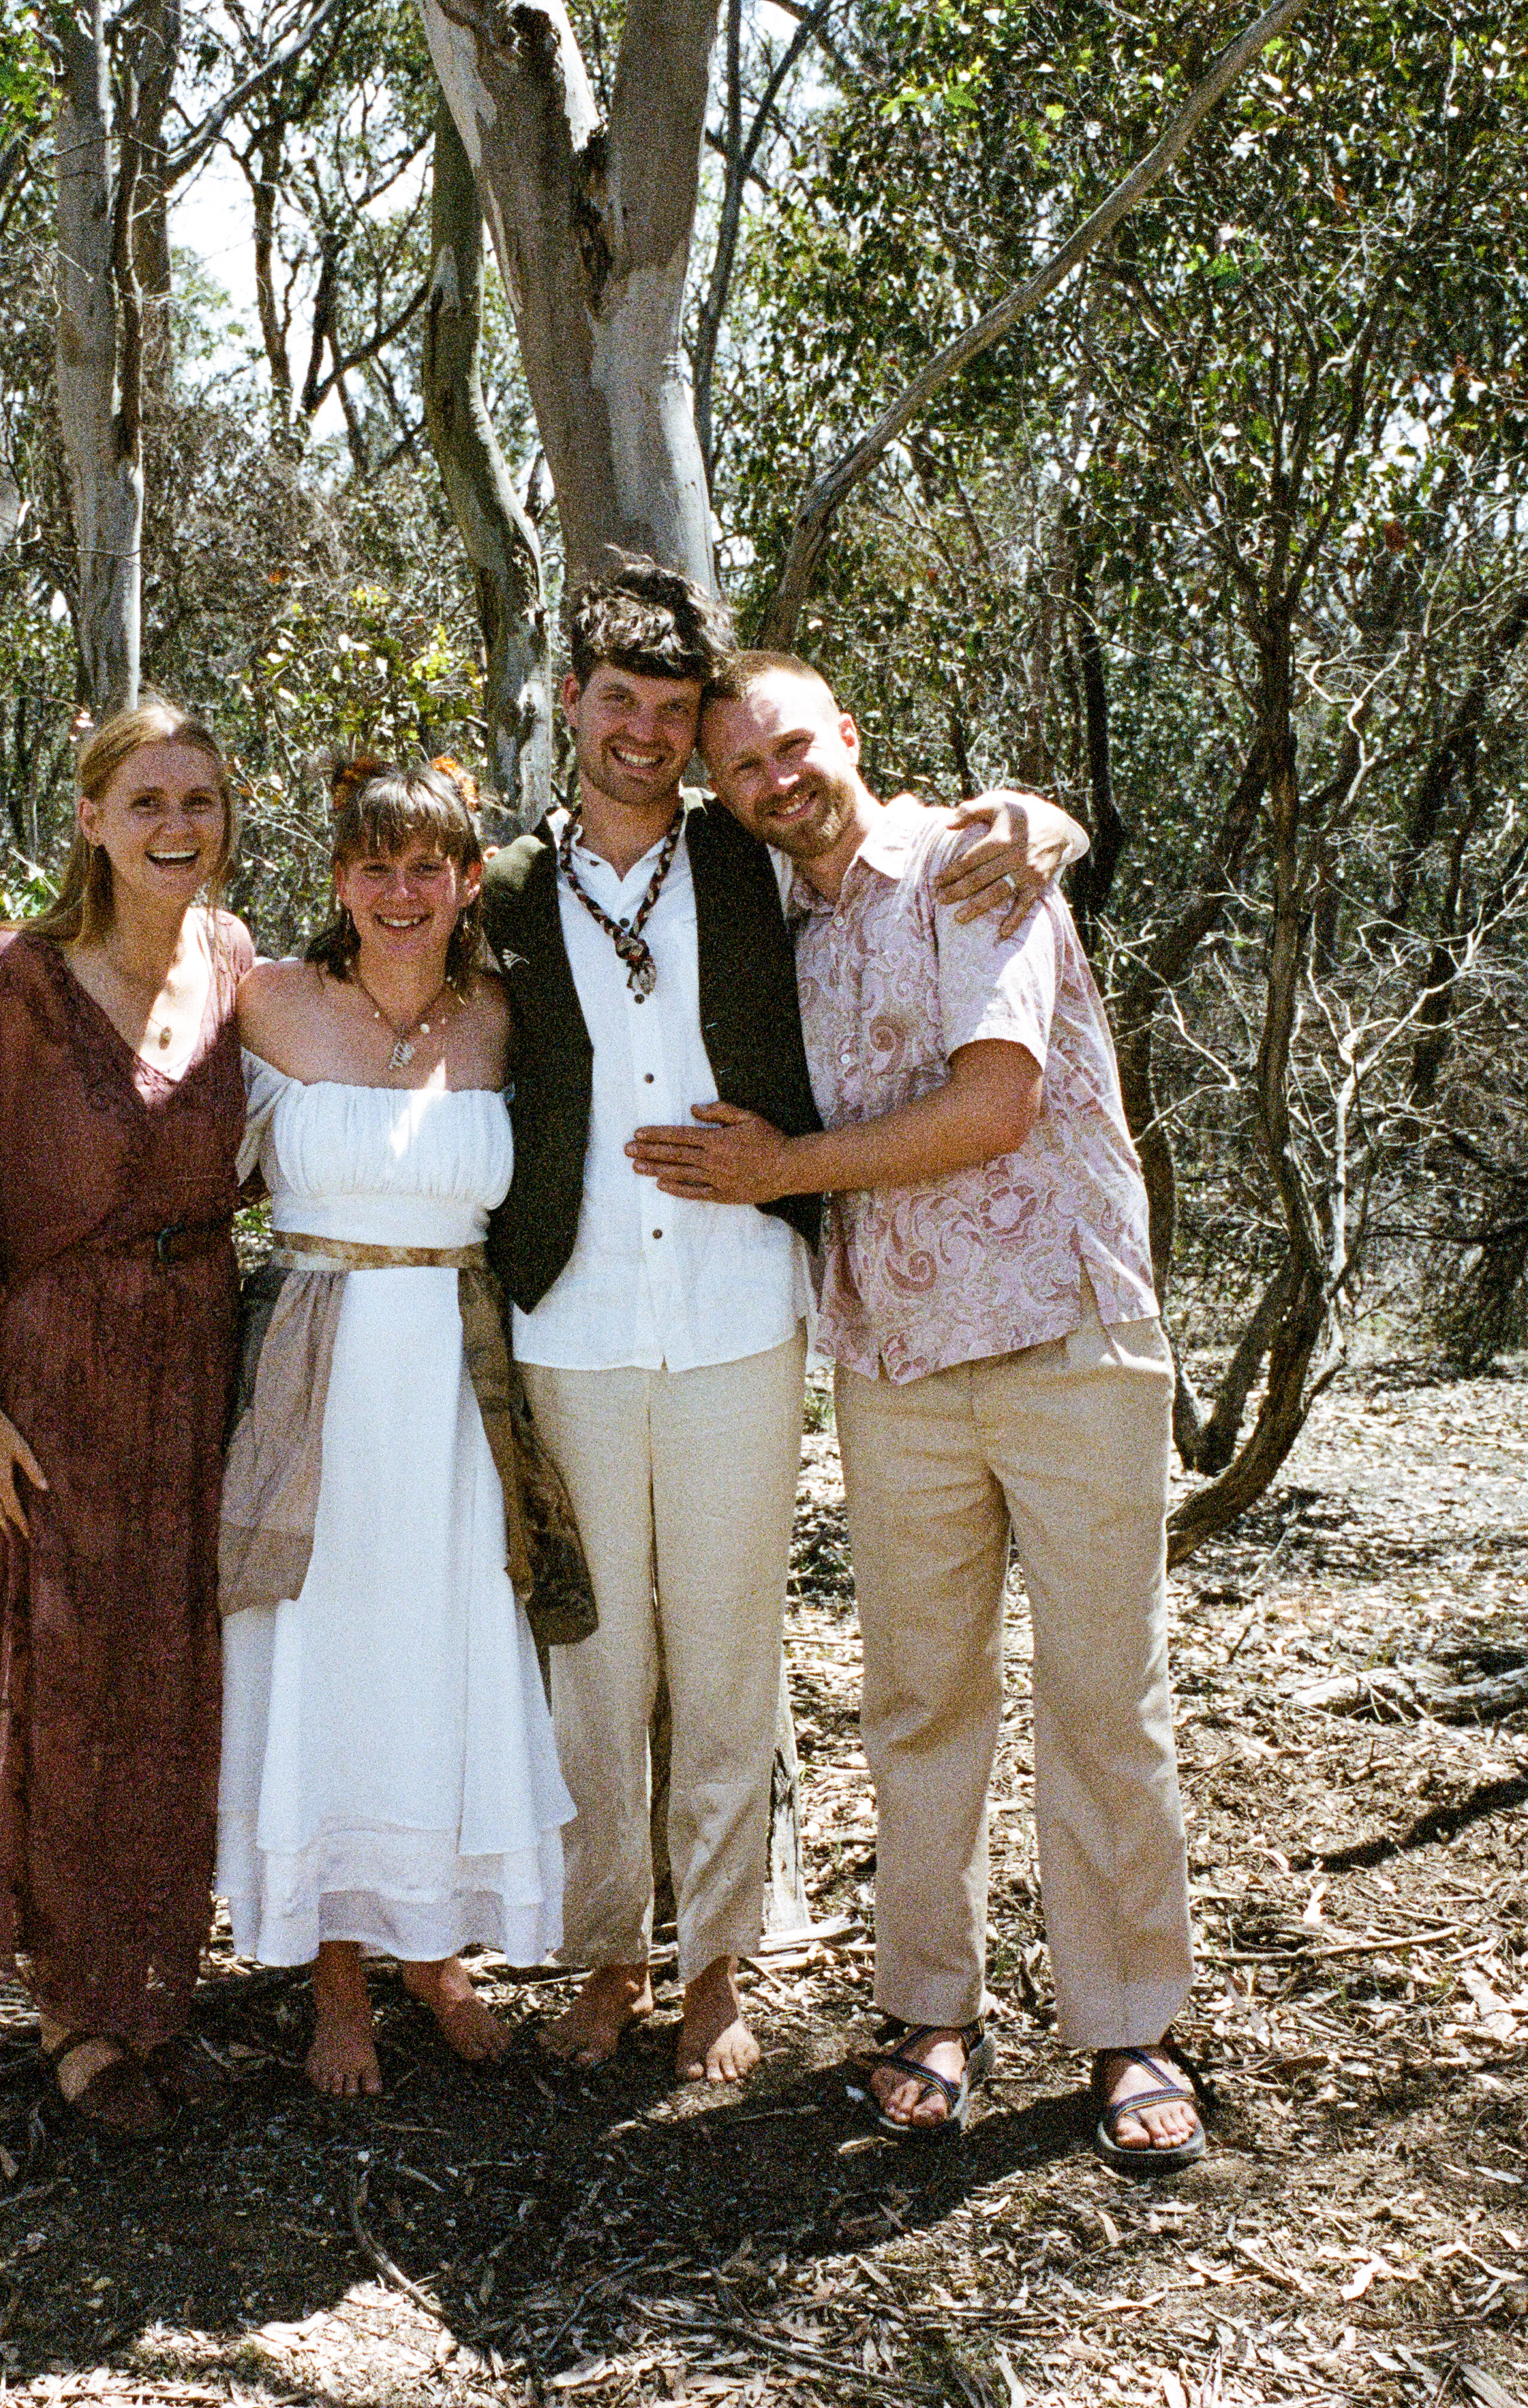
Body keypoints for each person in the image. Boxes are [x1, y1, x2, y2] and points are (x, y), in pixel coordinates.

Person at [482, 557, 1086, 2083]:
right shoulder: (500, 889)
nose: (641, 733)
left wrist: (1040, 815)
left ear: (695, 739)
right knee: (598, 1658)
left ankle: (718, 1968)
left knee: (735, 1649)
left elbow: (904, 844)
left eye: (671, 713)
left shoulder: (747, 870)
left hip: (746, 1308)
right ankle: (607, 1950)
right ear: (573, 704)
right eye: (617, 701)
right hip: (572, 1318)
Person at [631, 650, 1204, 2171]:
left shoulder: (970, 859)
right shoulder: (785, 929)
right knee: (920, 1701)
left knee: (1102, 1696)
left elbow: (995, 1102)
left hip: (1061, 1330)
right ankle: (931, 2010)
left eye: (794, 747)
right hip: (895, 1359)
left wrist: (780, 1172)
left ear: (849, 737)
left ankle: (1130, 2026)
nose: (777, 781)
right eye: (743, 768)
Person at [0, 696, 252, 2139]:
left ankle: (156, 1988)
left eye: (202, 799)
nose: (179, 825)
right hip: (55, 1370)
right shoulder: (20, 975)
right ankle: (72, 2012)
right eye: (149, 800)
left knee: (174, 1671)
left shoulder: (237, 962)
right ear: (93, 820)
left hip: (202, 1360)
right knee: (64, 1672)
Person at [218, 758, 582, 2095]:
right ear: (336, 881)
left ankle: (432, 1948)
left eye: (429, 865)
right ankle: (334, 1976)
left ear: (467, 879)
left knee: (445, 1649)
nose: (401, 891)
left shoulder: (503, 1018)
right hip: (317, 1364)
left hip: (458, 1382)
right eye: (374, 865)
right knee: (319, 1647)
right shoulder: (265, 1002)